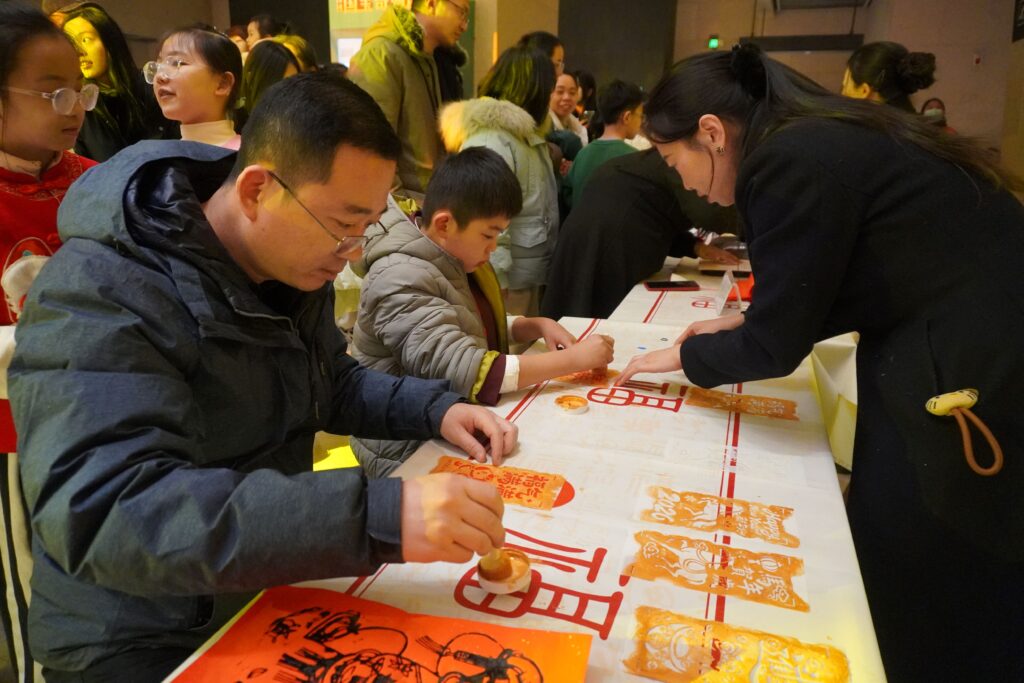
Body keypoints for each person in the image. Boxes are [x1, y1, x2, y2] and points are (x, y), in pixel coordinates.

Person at [9, 71, 517, 682]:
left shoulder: (286, 266)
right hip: (142, 635)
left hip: (259, 586)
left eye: (367, 227)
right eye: (342, 224)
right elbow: (107, 514)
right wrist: (376, 515)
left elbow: (327, 381)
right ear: (256, 190)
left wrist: (435, 409)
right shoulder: (101, 290)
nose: (352, 251)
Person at [617, 44, 1024, 682]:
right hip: (957, 326)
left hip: (971, 353)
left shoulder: (786, 160)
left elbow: (775, 347)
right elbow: (833, 281)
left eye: (675, 162)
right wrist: (744, 322)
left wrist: (685, 355)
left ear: (712, 133)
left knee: (927, 544)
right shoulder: (812, 135)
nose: (686, 184)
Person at [351, 147, 614, 476]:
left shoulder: (450, 253)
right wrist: (575, 360)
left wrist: (532, 325)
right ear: (445, 223)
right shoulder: (400, 275)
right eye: (488, 235)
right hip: (404, 447)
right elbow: (464, 369)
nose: (492, 248)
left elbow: (463, 321)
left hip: (447, 419)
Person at [0, 6, 99, 681]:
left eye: (80, 90)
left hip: (98, 411)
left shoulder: (95, 178)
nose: (74, 108)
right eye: (53, 92)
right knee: (32, 586)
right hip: (14, 427)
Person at [543, 149, 738, 320]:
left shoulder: (654, 161)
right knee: (591, 313)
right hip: (608, 246)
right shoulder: (679, 160)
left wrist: (695, 247)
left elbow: (658, 213)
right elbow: (709, 212)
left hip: (606, 238)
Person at [440, 45, 559, 316]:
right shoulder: (492, 138)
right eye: (548, 90)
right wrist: (497, 276)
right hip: (509, 278)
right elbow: (485, 213)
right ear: (533, 90)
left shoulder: (523, 135)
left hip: (527, 272)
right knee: (510, 341)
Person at [349, 0, 470, 203]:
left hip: (428, 204)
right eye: (462, 12)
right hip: (402, 210)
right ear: (432, 4)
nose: (464, 25)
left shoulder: (432, 59)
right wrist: (407, 210)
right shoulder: (381, 55)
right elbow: (370, 150)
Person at [59, 2, 171, 161]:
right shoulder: (83, 107)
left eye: (85, 40)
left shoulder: (151, 87)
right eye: (72, 44)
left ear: (109, 41)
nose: (80, 52)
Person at [145, 24, 243, 148]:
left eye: (177, 63)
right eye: (159, 65)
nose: (159, 76)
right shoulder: (161, 155)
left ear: (222, 84)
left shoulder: (248, 155)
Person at [565, 79, 644, 208]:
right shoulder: (635, 159)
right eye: (640, 115)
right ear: (627, 117)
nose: (641, 121)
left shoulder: (583, 154)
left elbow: (568, 194)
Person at [841, 40, 935, 112]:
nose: (842, 93)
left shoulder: (851, 130)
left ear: (864, 91)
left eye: (844, 86)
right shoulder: (918, 127)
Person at [235, 40, 300, 131]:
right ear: (251, 78)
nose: (291, 93)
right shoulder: (234, 125)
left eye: (294, 83)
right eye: (282, 84)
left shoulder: (297, 119)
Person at [549, 71, 588, 148]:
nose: (566, 97)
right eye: (560, 92)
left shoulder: (580, 131)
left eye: (572, 93)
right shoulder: (542, 128)